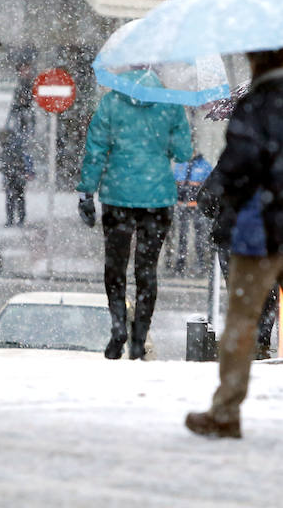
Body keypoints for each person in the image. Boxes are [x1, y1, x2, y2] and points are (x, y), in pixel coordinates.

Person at [185, 45, 283, 443]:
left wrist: (237, 201)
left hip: (259, 234)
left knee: (242, 322)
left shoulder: (253, 108)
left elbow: (235, 169)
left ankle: (226, 411)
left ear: (257, 61)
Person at [77, 71, 192, 360]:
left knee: (115, 266)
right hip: (158, 198)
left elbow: (95, 151)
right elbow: (183, 153)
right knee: (147, 268)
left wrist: (86, 192)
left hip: (117, 197)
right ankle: (139, 337)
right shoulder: (171, 105)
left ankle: (118, 326)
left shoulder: (111, 104)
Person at [198, 165, 279, 360]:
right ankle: (260, 344)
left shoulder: (232, 160)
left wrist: (222, 213)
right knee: (267, 295)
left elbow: (205, 198)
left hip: (231, 237)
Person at [0, 48, 37, 226]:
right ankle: (12, 219)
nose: (23, 72)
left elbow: (25, 112)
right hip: (12, 161)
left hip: (17, 159)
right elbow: (14, 110)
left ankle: (19, 219)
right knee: (11, 192)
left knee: (18, 192)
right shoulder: (22, 87)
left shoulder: (28, 86)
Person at [170, 153, 213, 276]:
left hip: (197, 207)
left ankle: (201, 264)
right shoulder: (180, 164)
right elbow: (176, 182)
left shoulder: (204, 165)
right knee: (182, 237)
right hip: (182, 206)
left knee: (199, 237)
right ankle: (180, 265)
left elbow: (208, 185)